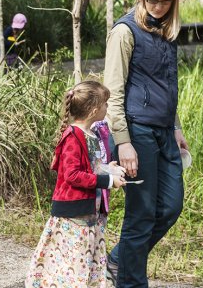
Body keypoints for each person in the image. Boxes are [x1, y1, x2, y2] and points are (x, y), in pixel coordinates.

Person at [103, 0, 196, 287]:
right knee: (141, 214)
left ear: (174, 1)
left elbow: (167, 85)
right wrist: (123, 140)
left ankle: (117, 260)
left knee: (170, 207)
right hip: (136, 131)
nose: (157, 4)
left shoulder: (168, 33)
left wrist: (176, 127)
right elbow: (112, 90)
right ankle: (130, 280)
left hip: (164, 132)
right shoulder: (124, 31)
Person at [24, 81, 126, 287]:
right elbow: (72, 175)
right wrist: (107, 180)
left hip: (91, 212)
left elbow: (90, 167)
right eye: (105, 103)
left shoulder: (92, 135)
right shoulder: (73, 136)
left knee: (85, 260)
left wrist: (108, 169)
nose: (108, 107)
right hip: (74, 215)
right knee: (72, 262)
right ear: (95, 109)